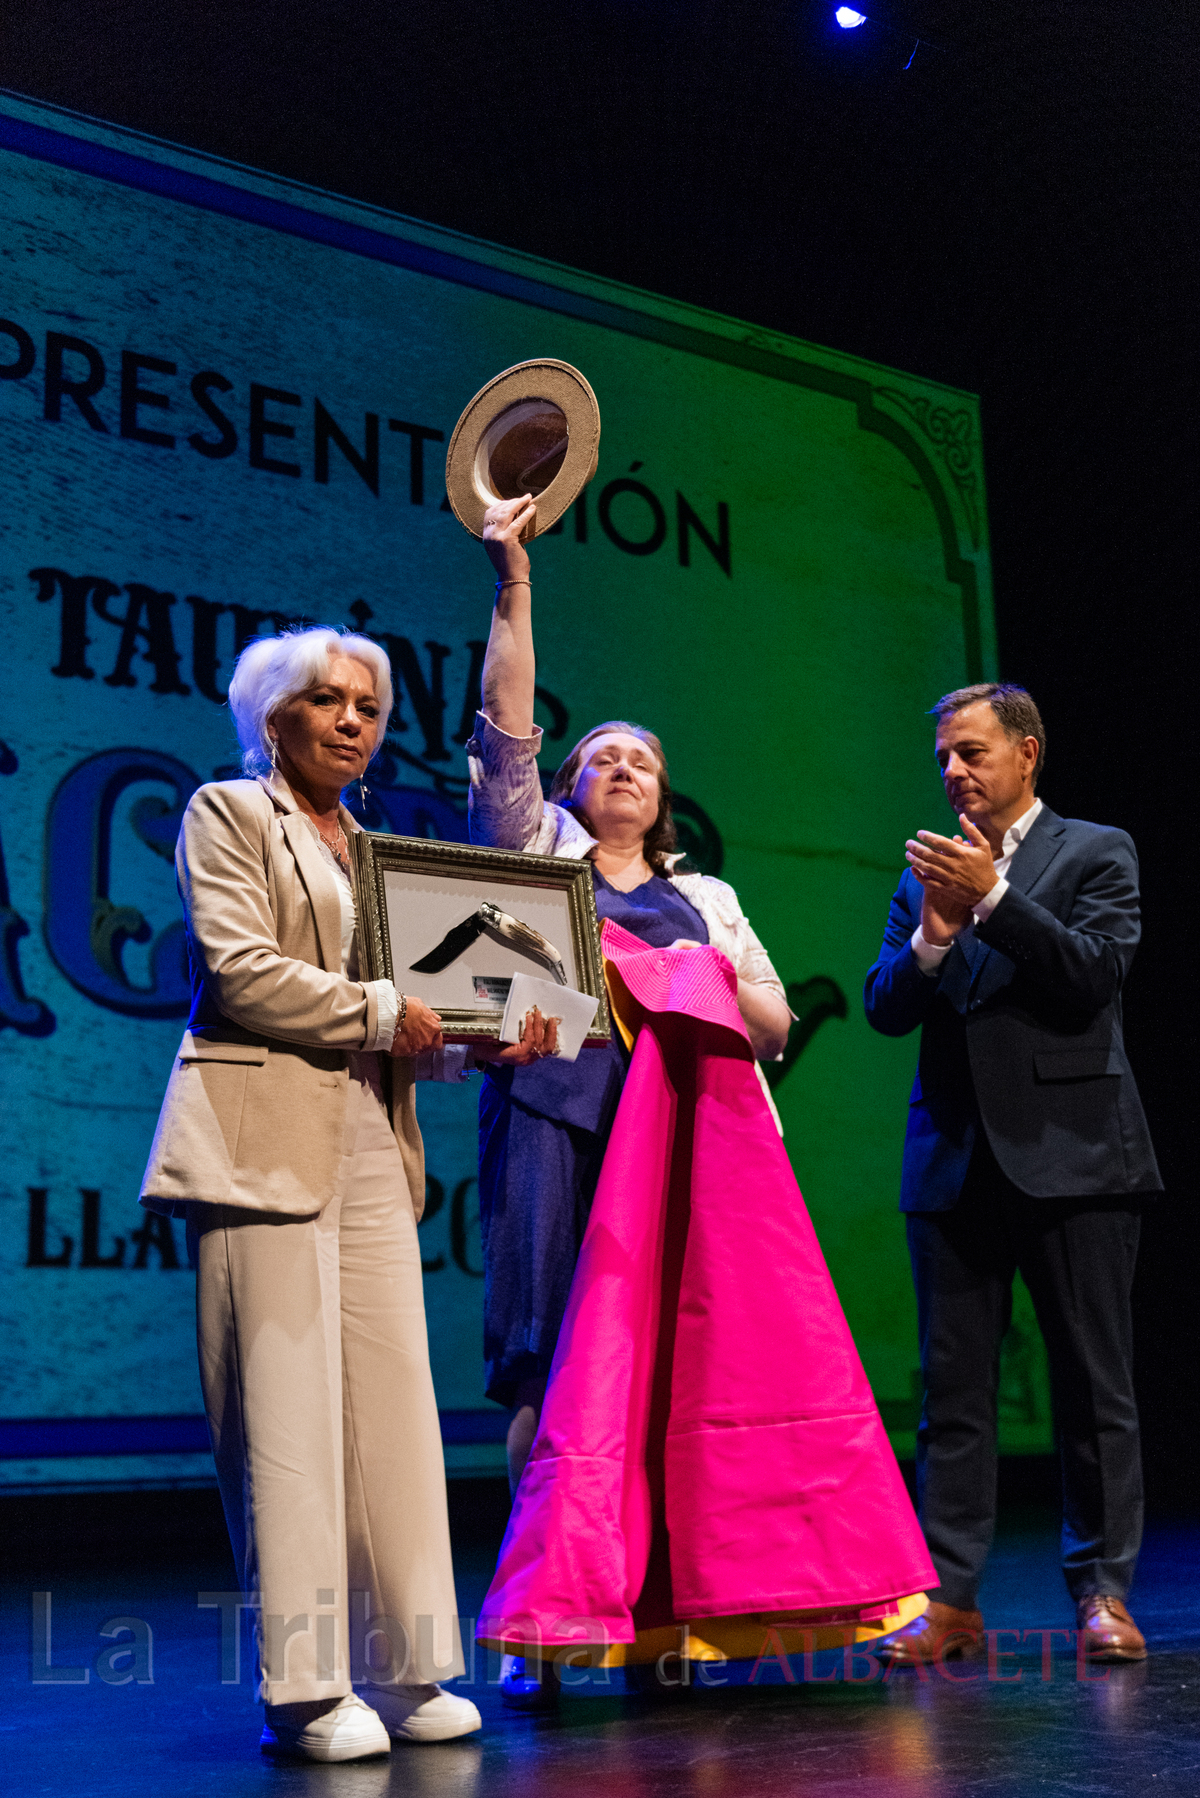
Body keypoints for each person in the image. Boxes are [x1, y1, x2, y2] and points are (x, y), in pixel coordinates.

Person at [465, 493, 798, 1698]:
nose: (623, 770)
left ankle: (661, 1618)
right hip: (555, 1131)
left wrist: (690, 976)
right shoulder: (534, 848)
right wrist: (516, 583)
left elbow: (770, 1024)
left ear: (663, 799)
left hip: (681, 1156)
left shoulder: (706, 898)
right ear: (569, 781)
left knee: (670, 1380)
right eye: (601, 754)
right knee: (551, 1368)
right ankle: (540, 1621)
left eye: (643, 761)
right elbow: (504, 731)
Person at [139, 627, 483, 1761]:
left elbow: (413, 1007)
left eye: (368, 705)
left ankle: (410, 1665)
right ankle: (304, 1688)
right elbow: (241, 970)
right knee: (284, 1419)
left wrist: (479, 1037)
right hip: (257, 1136)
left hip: (372, 1139)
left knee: (394, 1411)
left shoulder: (373, 846)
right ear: (271, 717)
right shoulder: (226, 813)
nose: (350, 719)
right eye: (324, 700)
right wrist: (390, 1011)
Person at [863, 682, 1162, 1666]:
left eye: (972, 751)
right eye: (944, 754)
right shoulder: (926, 870)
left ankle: (1103, 1592)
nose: (953, 769)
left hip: (1076, 1157)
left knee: (1092, 1385)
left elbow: (1089, 978)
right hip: (953, 1161)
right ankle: (948, 1601)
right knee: (951, 1398)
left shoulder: (1096, 849)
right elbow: (884, 1005)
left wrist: (993, 897)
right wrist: (935, 934)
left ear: (1028, 752)